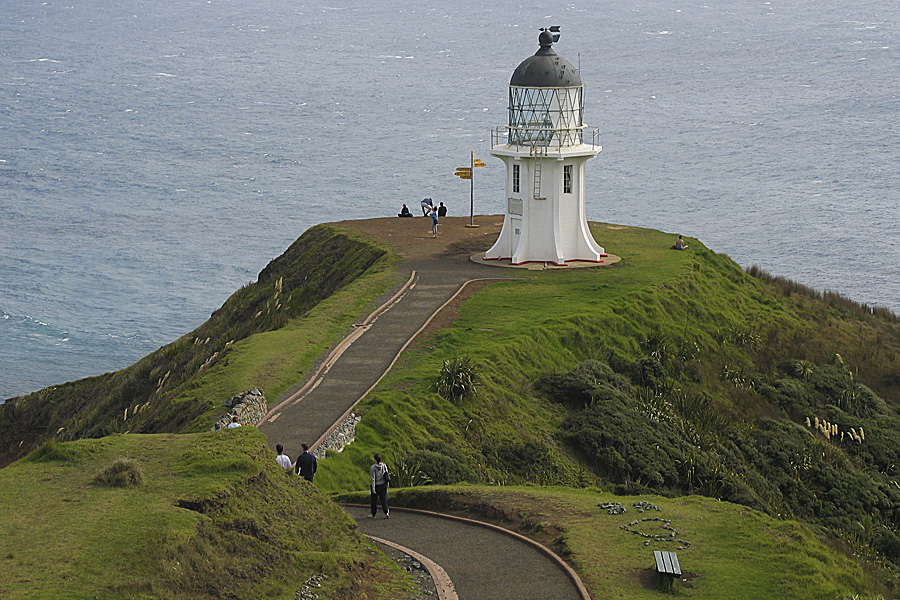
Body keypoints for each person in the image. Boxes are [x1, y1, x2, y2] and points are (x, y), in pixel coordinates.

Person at [369, 453, 390, 518]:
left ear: (375, 459)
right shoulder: (384, 465)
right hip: (383, 484)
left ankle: (373, 513)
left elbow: (373, 478)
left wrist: (373, 488)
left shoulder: (373, 467)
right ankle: (386, 512)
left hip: (377, 485)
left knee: (374, 501)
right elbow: (386, 474)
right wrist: (388, 484)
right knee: (383, 499)